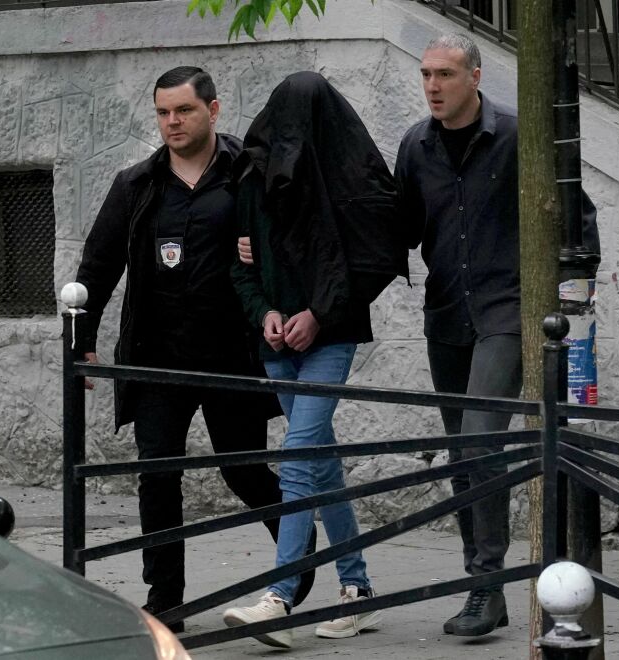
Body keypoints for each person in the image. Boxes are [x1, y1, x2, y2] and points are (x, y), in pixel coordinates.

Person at [73, 66, 315, 630]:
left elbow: (291, 235)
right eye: (163, 112)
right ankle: (167, 600)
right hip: (156, 357)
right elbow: (98, 267)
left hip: (232, 353)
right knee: (158, 473)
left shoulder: (246, 173)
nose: (172, 122)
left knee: (244, 470)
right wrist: (82, 344)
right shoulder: (136, 183)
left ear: (213, 109)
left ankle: (299, 560)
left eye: (183, 110)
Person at [394, 33, 600, 637]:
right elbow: (398, 228)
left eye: (445, 75)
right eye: (426, 74)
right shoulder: (414, 145)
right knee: (462, 454)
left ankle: (487, 586)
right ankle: (479, 586)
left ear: (475, 77)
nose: (432, 85)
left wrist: (577, 300)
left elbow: (576, 215)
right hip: (448, 316)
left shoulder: (516, 137)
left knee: (480, 443)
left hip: (508, 311)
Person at [222, 71, 408, 649]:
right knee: (321, 462)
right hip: (277, 342)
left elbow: (375, 258)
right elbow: (241, 266)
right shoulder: (253, 176)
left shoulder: (351, 183)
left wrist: (318, 316)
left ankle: (278, 597)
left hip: (329, 339)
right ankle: (358, 590)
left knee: (300, 454)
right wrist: (266, 316)